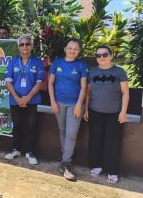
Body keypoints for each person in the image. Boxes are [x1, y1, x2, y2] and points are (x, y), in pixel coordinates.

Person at [84, 45, 129, 184]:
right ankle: (96, 166)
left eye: (104, 54)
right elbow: (88, 92)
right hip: (95, 111)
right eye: (98, 55)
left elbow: (125, 92)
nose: (101, 57)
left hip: (114, 113)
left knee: (112, 142)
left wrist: (123, 111)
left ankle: (112, 170)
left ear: (111, 55)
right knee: (95, 140)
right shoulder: (92, 71)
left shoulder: (119, 72)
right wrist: (86, 109)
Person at [48, 39, 88, 181]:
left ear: (79, 51)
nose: (72, 51)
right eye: (70, 48)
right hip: (59, 103)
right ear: (65, 49)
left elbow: (84, 87)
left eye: (75, 49)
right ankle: (65, 159)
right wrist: (52, 101)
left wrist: (79, 104)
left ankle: (66, 163)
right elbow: (51, 83)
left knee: (71, 134)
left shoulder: (81, 65)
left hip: (75, 105)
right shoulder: (57, 63)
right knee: (62, 130)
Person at [4, 34, 44, 164]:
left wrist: (27, 98)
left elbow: (39, 83)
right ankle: (16, 149)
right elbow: (8, 81)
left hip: (32, 100)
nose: (25, 46)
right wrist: (16, 97)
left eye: (27, 44)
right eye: (22, 44)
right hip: (15, 101)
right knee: (17, 126)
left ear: (32, 46)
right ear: (18, 47)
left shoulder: (37, 62)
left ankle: (29, 152)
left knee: (31, 127)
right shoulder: (13, 61)